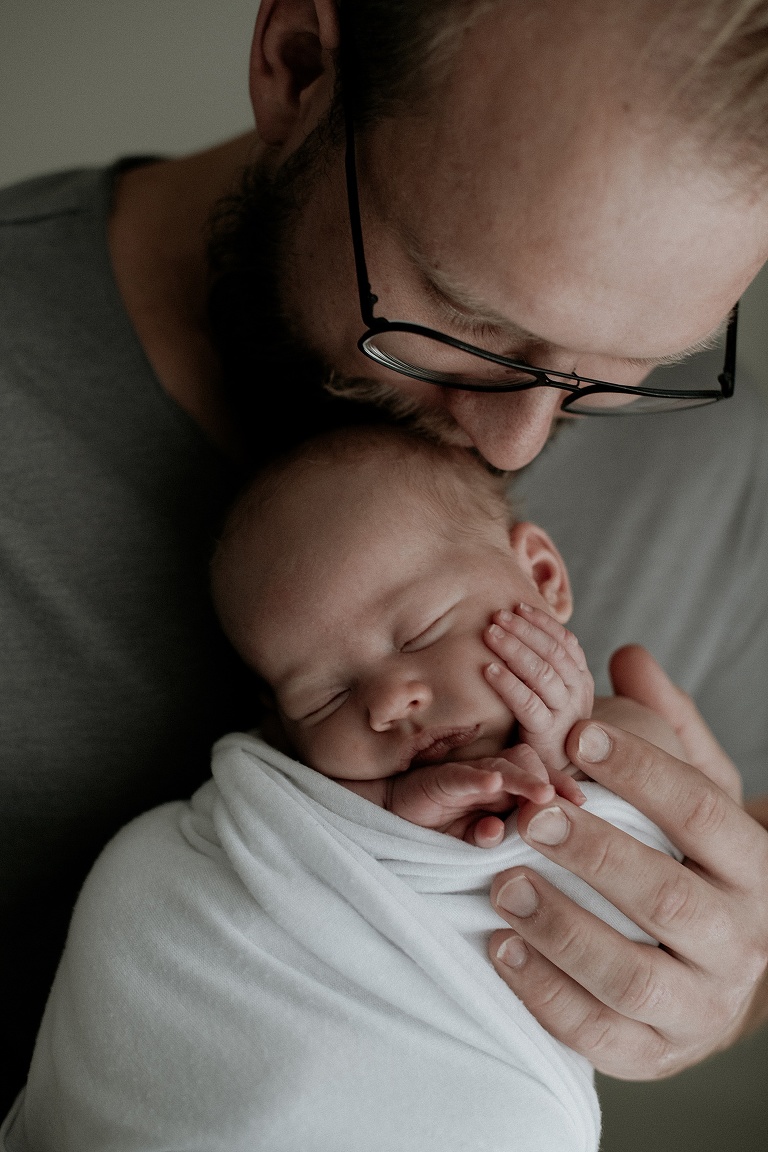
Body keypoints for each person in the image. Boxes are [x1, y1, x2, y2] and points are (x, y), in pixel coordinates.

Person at [2, 0, 768, 1111]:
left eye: (620, 371)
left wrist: (727, 974)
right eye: (466, 321)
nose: (519, 438)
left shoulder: (727, 476)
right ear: (298, 67)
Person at [2, 426, 686, 1151]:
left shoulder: (620, 733)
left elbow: (659, 845)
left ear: (542, 578)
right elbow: (305, 831)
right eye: (323, 698)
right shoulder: (308, 793)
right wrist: (392, 817)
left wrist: (562, 760)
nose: (388, 703)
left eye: (421, 633)